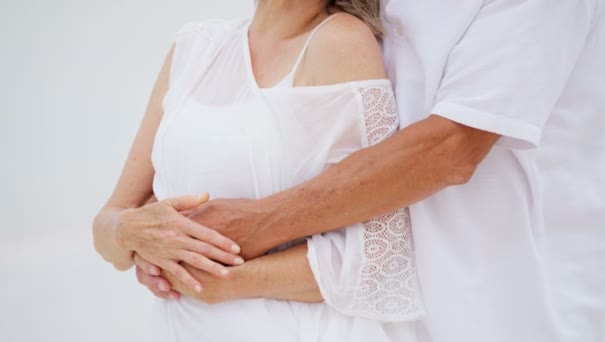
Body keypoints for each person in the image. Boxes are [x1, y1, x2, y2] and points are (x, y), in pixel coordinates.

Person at [131, 1, 605, 341]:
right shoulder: (223, 45)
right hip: (386, 318)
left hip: (514, 309)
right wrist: (151, 240)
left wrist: (245, 235)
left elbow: (452, 148)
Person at [94, 0, 426, 341]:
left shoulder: (339, 41)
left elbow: (381, 256)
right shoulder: (194, 46)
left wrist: (222, 280)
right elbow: (109, 224)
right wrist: (133, 234)